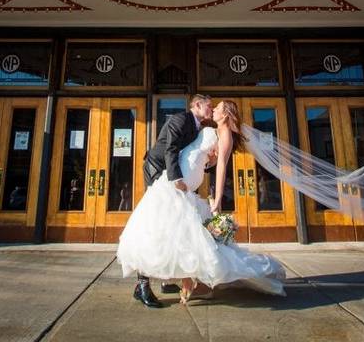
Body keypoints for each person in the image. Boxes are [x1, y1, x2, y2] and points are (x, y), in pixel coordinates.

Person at [118, 99, 285, 308]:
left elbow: (221, 168)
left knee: (174, 235)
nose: (214, 108)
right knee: (160, 231)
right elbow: (188, 152)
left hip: (182, 185)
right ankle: (150, 283)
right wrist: (186, 172)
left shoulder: (224, 136)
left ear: (226, 115)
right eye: (211, 106)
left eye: (218, 108)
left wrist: (217, 199)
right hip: (174, 183)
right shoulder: (196, 125)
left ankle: (171, 280)